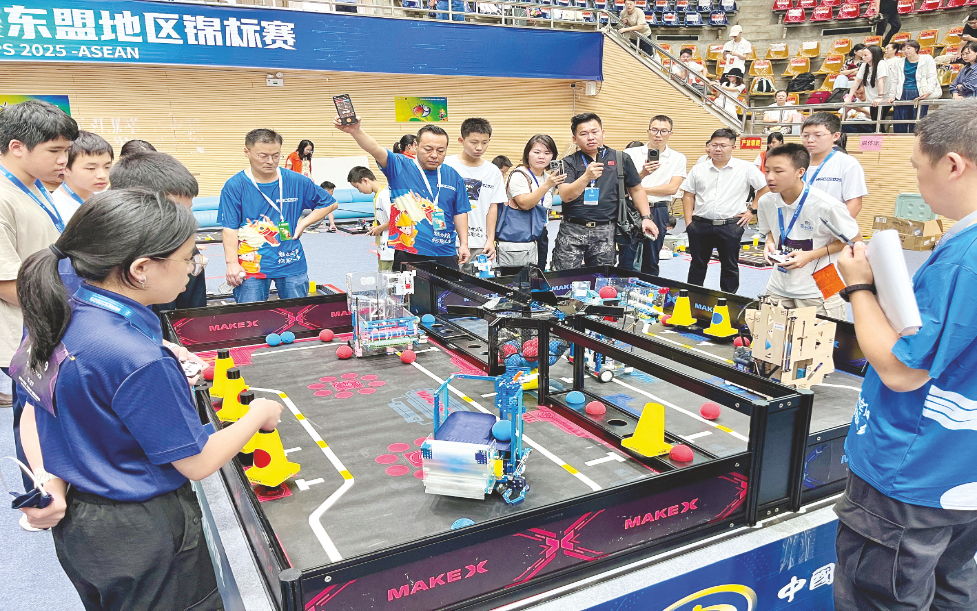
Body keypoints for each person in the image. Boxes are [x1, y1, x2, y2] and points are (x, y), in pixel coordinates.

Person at [12, 188, 284, 610]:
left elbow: (34, 404)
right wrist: (258, 414)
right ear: (141, 269)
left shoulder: (59, 310)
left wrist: (50, 480)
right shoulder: (139, 359)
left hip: (83, 527)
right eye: (188, 257)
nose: (194, 268)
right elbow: (197, 462)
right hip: (144, 532)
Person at [832, 99, 977, 611]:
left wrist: (859, 287)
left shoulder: (965, 258)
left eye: (917, 168)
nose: (917, 179)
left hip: (912, 471)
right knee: (952, 585)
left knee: (882, 596)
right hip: (961, 473)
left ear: (952, 164)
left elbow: (901, 370)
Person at [0, 100, 77, 486]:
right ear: (17, 147)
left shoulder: (34, 186)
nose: (64, 160)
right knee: (33, 423)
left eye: (66, 150)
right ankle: (39, 498)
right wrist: (76, 306)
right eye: (55, 151)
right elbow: (9, 285)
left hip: (51, 324)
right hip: (26, 337)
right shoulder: (3, 196)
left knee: (55, 419)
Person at [219, 129, 338, 303]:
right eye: (263, 156)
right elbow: (230, 228)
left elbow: (330, 203)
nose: (270, 161)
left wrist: (303, 223)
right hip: (251, 264)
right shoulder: (235, 186)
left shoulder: (296, 181)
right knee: (251, 314)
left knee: (298, 312)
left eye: (276, 156)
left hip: (290, 260)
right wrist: (231, 263)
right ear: (247, 152)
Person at [335, 119, 471, 270]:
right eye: (428, 149)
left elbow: (460, 211)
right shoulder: (399, 165)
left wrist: (464, 244)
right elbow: (375, 149)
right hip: (409, 251)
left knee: (449, 287)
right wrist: (356, 131)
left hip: (445, 250)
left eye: (440, 151)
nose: (434, 155)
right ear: (416, 145)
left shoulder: (453, 175)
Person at [756, 143, 859, 318]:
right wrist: (769, 242)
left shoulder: (826, 205)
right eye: (767, 171)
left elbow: (854, 240)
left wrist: (810, 255)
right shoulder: (766, 201)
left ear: (800, 172)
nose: (770, 177)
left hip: (820, 287)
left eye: (778, 171)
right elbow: (770, 231)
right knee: (771, 333)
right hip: (779, 285)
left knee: (821, 335)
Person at [552, 113, 657, 271]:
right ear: (575, 139)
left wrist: (646, 218)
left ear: (603, 133)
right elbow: (565, 196)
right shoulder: (568, 162)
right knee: (564, 277)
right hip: (572, 229)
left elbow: (636, 190)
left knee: (601, 277)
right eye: (583, 134)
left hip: (606, 229)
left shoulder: (621, 159)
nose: (590, 137)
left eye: (595, 132)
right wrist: (586, 177)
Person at [109, 151, 208, 313]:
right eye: (175, 213)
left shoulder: (184, 250)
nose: (185, 221)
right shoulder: (103, 262)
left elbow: (193, 309)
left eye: (187, 211)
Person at [681, 128, 768, 293]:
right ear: (709, 146)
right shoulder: (699, 169)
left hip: (730, 225)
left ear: (733, 147)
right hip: (700, 225)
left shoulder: (745, 168)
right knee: (697, 265)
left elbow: (764, 188)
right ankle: (692, 298)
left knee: (730, 266)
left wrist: (752, 211)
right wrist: (688, 223)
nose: (718, 149)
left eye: (723, 145)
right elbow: (688, 195)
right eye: (714, 145)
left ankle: (729, 300)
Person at [624, 115, 688, 276]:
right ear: (648, 131)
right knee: (626, 256)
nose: (658, 134)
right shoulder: (630, 154)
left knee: (651, 258)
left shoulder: (678, 158)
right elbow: (622, 185)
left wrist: (639, 190)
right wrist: (642, 174)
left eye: (663, 131)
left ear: (670, 133)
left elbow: (672, 188)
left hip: (658, 210)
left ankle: (650, 289)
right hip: (630, 208)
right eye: (655, 130)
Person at [444, 118, 507, 274]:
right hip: (449, 240)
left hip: (480, 243)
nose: (479, 147)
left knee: (479, 285)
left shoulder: (493, 171)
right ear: (461, 140)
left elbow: (492, 208)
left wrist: (490, 240)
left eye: (484, 142)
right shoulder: (446, 165)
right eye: (474, 142)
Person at [496, 135, 564, 267]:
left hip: (540, 232)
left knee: (539, 275)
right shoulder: (519, 174)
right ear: (527, 154)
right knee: (517, 275)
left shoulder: (548, 177)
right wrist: (547, 185)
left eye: (547, 153)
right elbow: (525, 203)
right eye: (537, 152)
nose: (541, 157)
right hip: (517, 233)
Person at [800, 113, 869, 218]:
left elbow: (854, 203)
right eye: (805, 135)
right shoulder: (797, 162)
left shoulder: (847, 163)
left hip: (830, 225)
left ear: (835, 136)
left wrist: (839, 226)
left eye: (818, 135)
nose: (810, 140)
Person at [50, 131, 113, 223]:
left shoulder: (108, 197)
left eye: (107, 167)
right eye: (91, 168)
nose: (102, 175)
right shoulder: (56, 209)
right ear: (65, 168)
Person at [887, 40, 941, 133]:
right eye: (903, 49)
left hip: (919, 92)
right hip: (902, 93)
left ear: (916, 49)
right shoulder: (898, 62)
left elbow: (932, 76)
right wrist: (892, 95)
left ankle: (916, 139)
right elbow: (894, 80)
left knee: (917, 121)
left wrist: (928, 91)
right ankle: (900, 139)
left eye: (908, 48)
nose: (906, 51)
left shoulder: (927, 59)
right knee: (900, 121)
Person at [349, 167, 394, 272]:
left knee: (387, 274)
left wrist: (380, 228)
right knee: (382, 272)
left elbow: (396, 220)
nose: (359, 191)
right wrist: (376, 227)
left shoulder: (384, 196)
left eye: (357, 187)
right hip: (383, 244)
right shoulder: (378, 195)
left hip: (390, 245)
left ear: (365, 180)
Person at [846, 45, 889, 128]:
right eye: (863, 55)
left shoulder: (881, 64)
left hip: (884, 98)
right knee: (875, 123)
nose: (863, 57)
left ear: (874, 55)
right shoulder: (864, 65)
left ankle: (880, 136)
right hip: (872, 99)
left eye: (865, 55)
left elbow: (880, 81)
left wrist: (880, 97)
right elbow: (857, 81)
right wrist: (849, 97)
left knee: (877, 123)